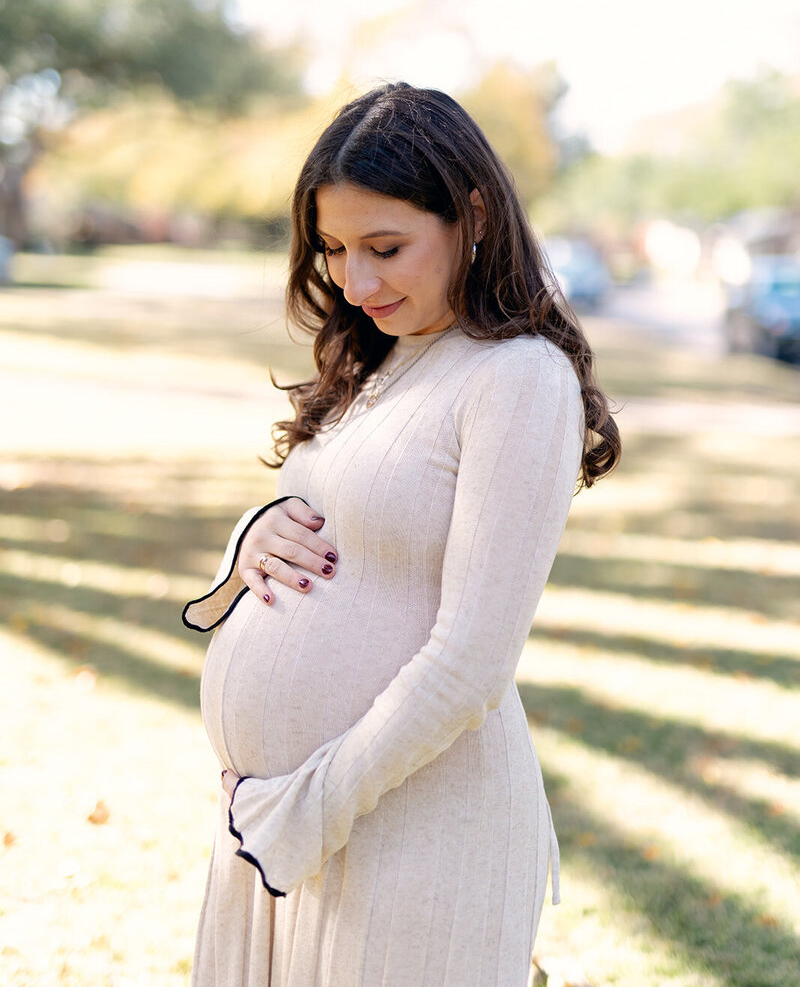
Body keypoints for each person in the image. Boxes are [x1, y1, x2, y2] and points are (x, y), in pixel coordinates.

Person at [182, 83, 620, 987]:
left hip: (409, 833)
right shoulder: (381, 357)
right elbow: (335, 519)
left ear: (475, 216)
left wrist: (307, 809)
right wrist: (251, 538)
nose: (357, 281)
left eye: (386, 248)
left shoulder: (517, 378)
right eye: (336, 249)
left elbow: (471, 662)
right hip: (280, 828)